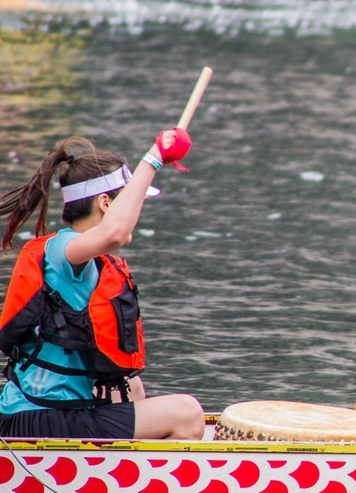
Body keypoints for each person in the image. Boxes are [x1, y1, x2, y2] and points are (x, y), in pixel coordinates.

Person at [0, 132, 204, 440]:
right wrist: (153, 159)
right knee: (187, 414)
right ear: (105, 203)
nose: (137, 214)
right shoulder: (63, 251)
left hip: (60, 414)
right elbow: (114, 234)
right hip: (37, 419)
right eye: (133, 203)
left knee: (132, 388)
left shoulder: (98, 263)